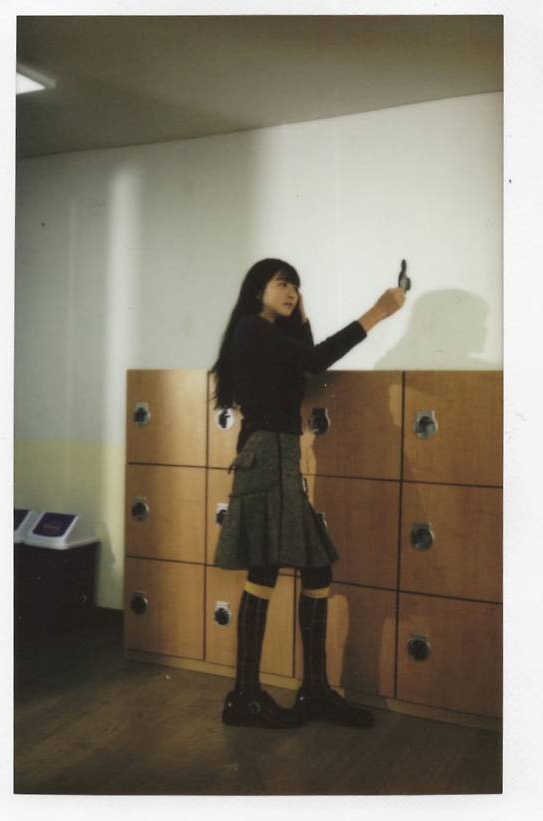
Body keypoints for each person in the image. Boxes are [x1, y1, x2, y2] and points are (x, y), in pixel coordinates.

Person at [210, 258, 406, 729]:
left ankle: (313, 691)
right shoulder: (251, 330)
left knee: (316, 567)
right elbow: (316, 360)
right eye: (282, 284)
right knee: (265, 569)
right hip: (266, 456)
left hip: (281, 457)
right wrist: (377, 312)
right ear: (257, 290)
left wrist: (300, 317)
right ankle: (244, 697)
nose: (292, 291)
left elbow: (306, 357)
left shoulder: (272, 336)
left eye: (296, 286)